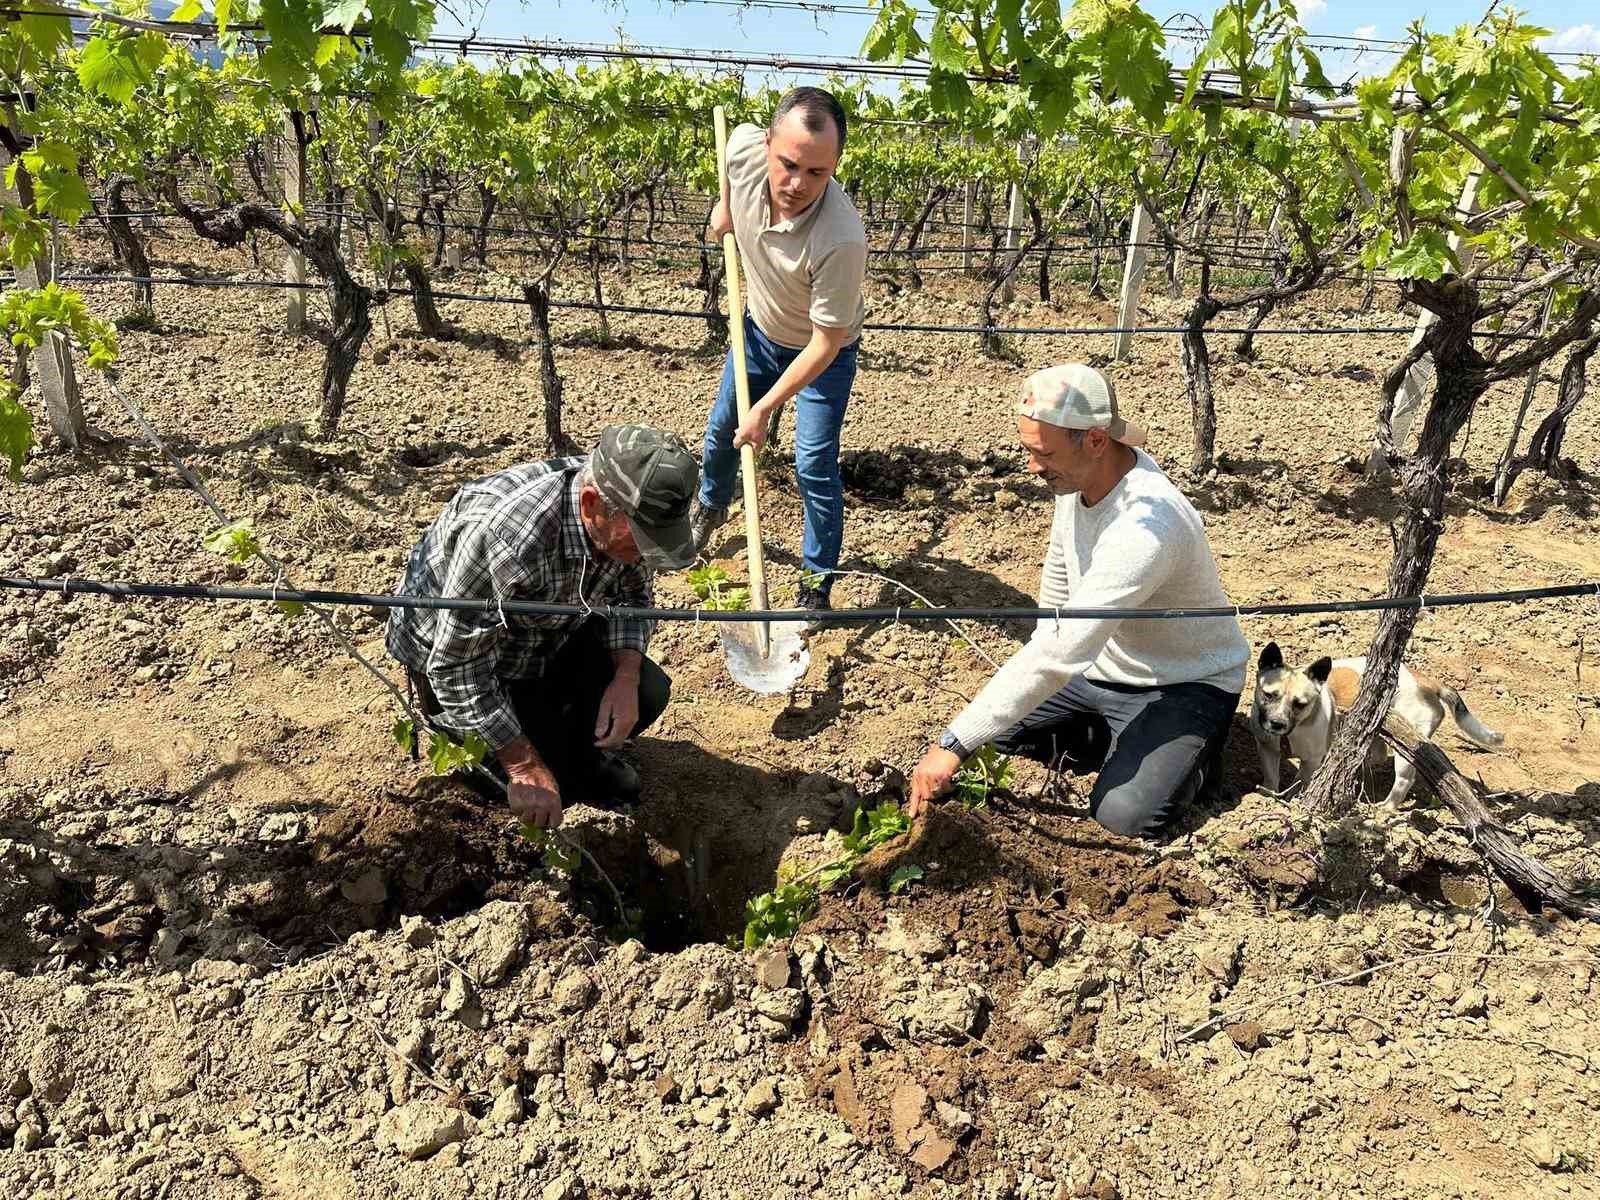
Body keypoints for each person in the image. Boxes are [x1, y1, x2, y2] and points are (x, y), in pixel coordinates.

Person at [908, 365, 1248, 839]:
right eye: (1029, 450)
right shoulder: (1077, 480)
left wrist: (953, 743)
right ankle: (1124, 744)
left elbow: (1062, 650)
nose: (1032, 467)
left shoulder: (1147, 527)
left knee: (1123, 817)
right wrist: (980, 729)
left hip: (1182, 682)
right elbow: (1057, 596)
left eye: (1043, 453)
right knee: (998, 735)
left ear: (1095, 440)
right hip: (1099, 670)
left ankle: (1192, 760)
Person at [386, 425, 699, 830]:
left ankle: (576, 758)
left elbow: (632, 599)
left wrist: (625, 676)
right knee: (531, 791)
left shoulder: (625, 509)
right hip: (460, 664)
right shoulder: (509, 537)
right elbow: (455, 668)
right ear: (591, 504)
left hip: (545, 637)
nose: (645, 553)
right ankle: (534, 762)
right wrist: (522, 765)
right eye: (641, 538)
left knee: (646, 691)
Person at [692, 85, 867, 618]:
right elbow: (730, 150)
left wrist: (765, 409)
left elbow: (825, 343)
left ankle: (816, 580)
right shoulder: (744, 148)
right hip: (759, 331)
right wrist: (725, 207)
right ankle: (710, 505)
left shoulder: (841, 238)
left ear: (835, 166)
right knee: (723, 429)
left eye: (817, 173)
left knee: (813, 463)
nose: (797, 184)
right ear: (768, 144)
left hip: (821, 357)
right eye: (788, 164)